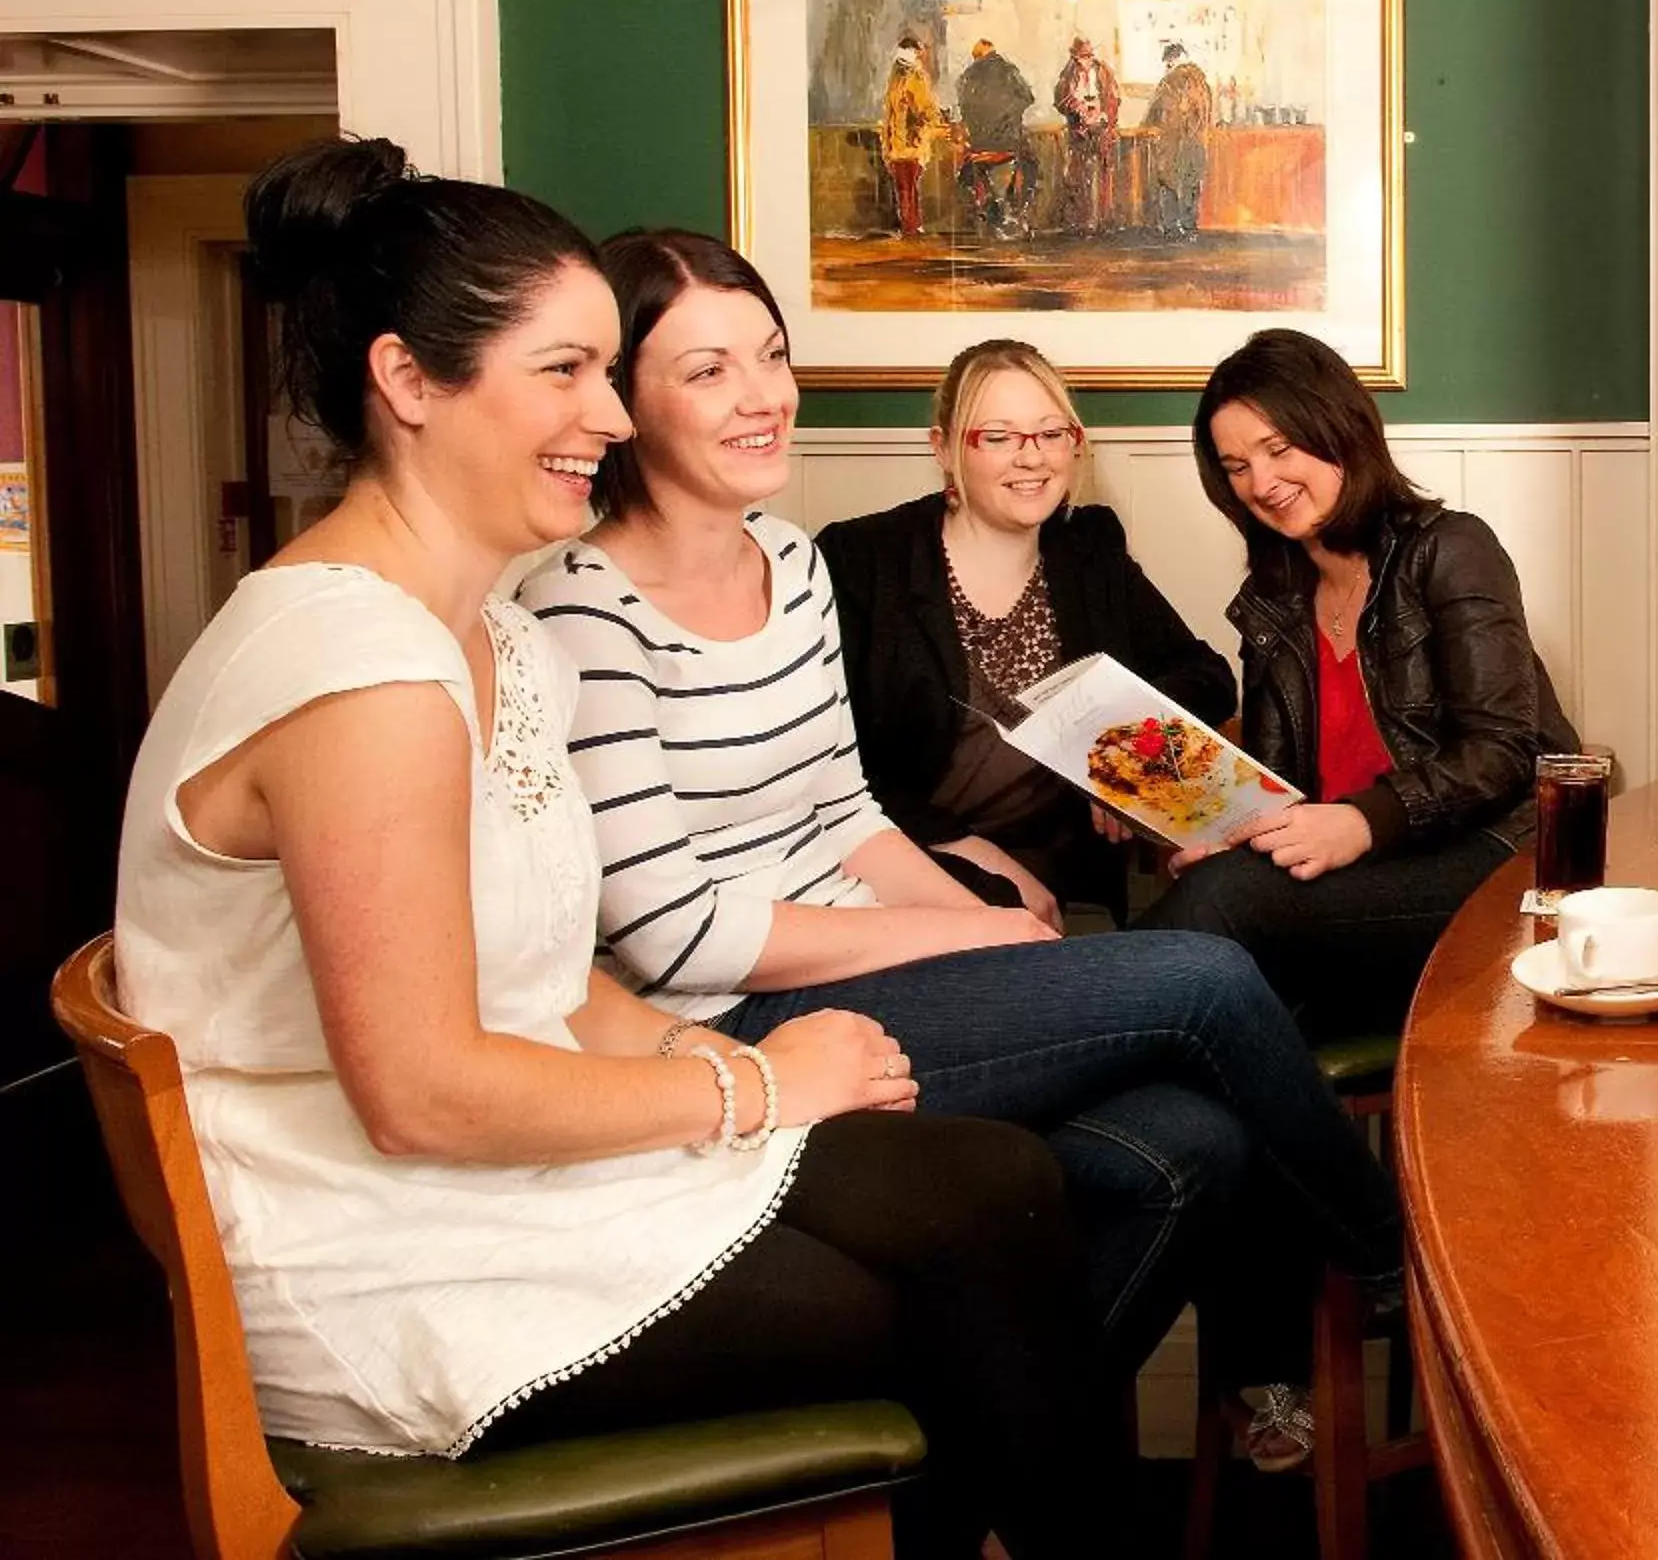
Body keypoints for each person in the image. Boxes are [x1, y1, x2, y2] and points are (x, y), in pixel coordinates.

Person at [116, 137, 1108, 1560]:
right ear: (409, 382)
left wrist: (709, 1064)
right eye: (566, 371)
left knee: (995, 1184)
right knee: (942, 1305)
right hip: (390, 1249)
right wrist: (760, 1082)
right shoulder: (356, 673)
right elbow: (423, 1096)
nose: (608, 411)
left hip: (512, 1163)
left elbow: (552, 976)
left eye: (607, 369)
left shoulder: (500, 642)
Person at [516, 230, 1400, 1467]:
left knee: (1195, 1145)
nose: (763, 391)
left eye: (771, 356)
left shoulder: (786, 562)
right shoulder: (587, 604)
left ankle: (954, 1465)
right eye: (708, 369)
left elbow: (842, 811)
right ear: (621, 396)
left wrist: (1077, 837)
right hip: (739, 1022)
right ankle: (1394, 1253)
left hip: (900, 945)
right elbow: (676, 932)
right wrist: (975, 918)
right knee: (1203, 974)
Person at [1137, 327, 1578, 1037]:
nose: (1261, 482)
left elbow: (1503, 752)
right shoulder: (1276, 597)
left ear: (1339, 428)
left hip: (1500, 856)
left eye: (1279, 448)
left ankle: (1059, 1015)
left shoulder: (1450, 548)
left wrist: (1366, 820)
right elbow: (1282, 786)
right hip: (1361, 877)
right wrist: (1234, 831)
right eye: (1236, 466)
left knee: (1225, 907)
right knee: (1217, 972)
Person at [818, 337, 1233, 924]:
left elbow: (1209, 677)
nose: (1032, 458)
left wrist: (1114, 756)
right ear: (943, 447)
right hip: (909, 861)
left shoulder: (1088, 546)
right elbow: (829, 758)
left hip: (1066, 875)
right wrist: (970, 853)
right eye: (999, 436)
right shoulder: (862, 559)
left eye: (1049, 433)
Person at [953, 37, 1035, 239]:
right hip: (1008, 142)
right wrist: (1009, 116)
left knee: (971, 172)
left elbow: (964, 107)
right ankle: (1014, 211)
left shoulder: (967, 76)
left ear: (976, 56)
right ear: (993, 51)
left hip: (979, 145)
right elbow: (1028, 98)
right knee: (1031, 164)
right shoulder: (1008, 71)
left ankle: (992, 210)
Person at [1144, 41, 1214, 237]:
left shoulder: (1168, 83)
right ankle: (1189, 226)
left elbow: (1154, 112)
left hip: (1172, 141)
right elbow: (1207, 114)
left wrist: (1148, 127)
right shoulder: (1202, 83)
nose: (1167, 67)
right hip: (1196, 141)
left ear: (1172, 60)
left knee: (1169, 182)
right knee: (1191, 182)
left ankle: (1172, 226)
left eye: (1168, 63)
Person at [1053, 36, 1119, 235]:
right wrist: (1076, 108)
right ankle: (1083, 223)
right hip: (1079, 130)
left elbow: (1114, 98)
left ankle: (1103, 221)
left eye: (1090, 55)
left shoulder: (1104, 72)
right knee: (1080, 176)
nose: (1087, 60)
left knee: (1103, 176)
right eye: (1083, 56)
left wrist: (1104, 115)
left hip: (1101, 128)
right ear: (1074, 56)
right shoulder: (1068, 74)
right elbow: (1060, 101)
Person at [879, 36, 941, 238]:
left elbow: (925, 111)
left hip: (908, 144)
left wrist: (917, 131)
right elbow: (925, 111)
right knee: (906, 187)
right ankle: (911, 226)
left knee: (907, 187)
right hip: (902, 145)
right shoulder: (908, 77)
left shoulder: (906, 78)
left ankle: (911, 226)